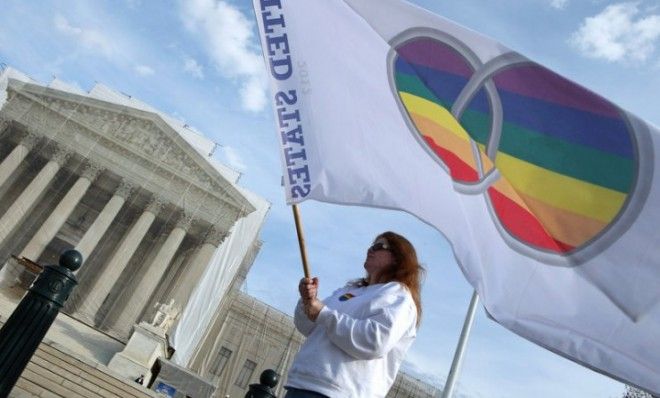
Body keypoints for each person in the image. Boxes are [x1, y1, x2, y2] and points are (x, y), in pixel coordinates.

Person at [284, 231, 425, 398]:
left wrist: (323, 313)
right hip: (302, 383)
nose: (370, 250)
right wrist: (307, 301)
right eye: (372, 245)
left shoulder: (399, 296)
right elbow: (308, 326)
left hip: (340, 392)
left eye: (379, 246)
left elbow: (374, 341)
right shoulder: (350, 291)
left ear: (398, 258)